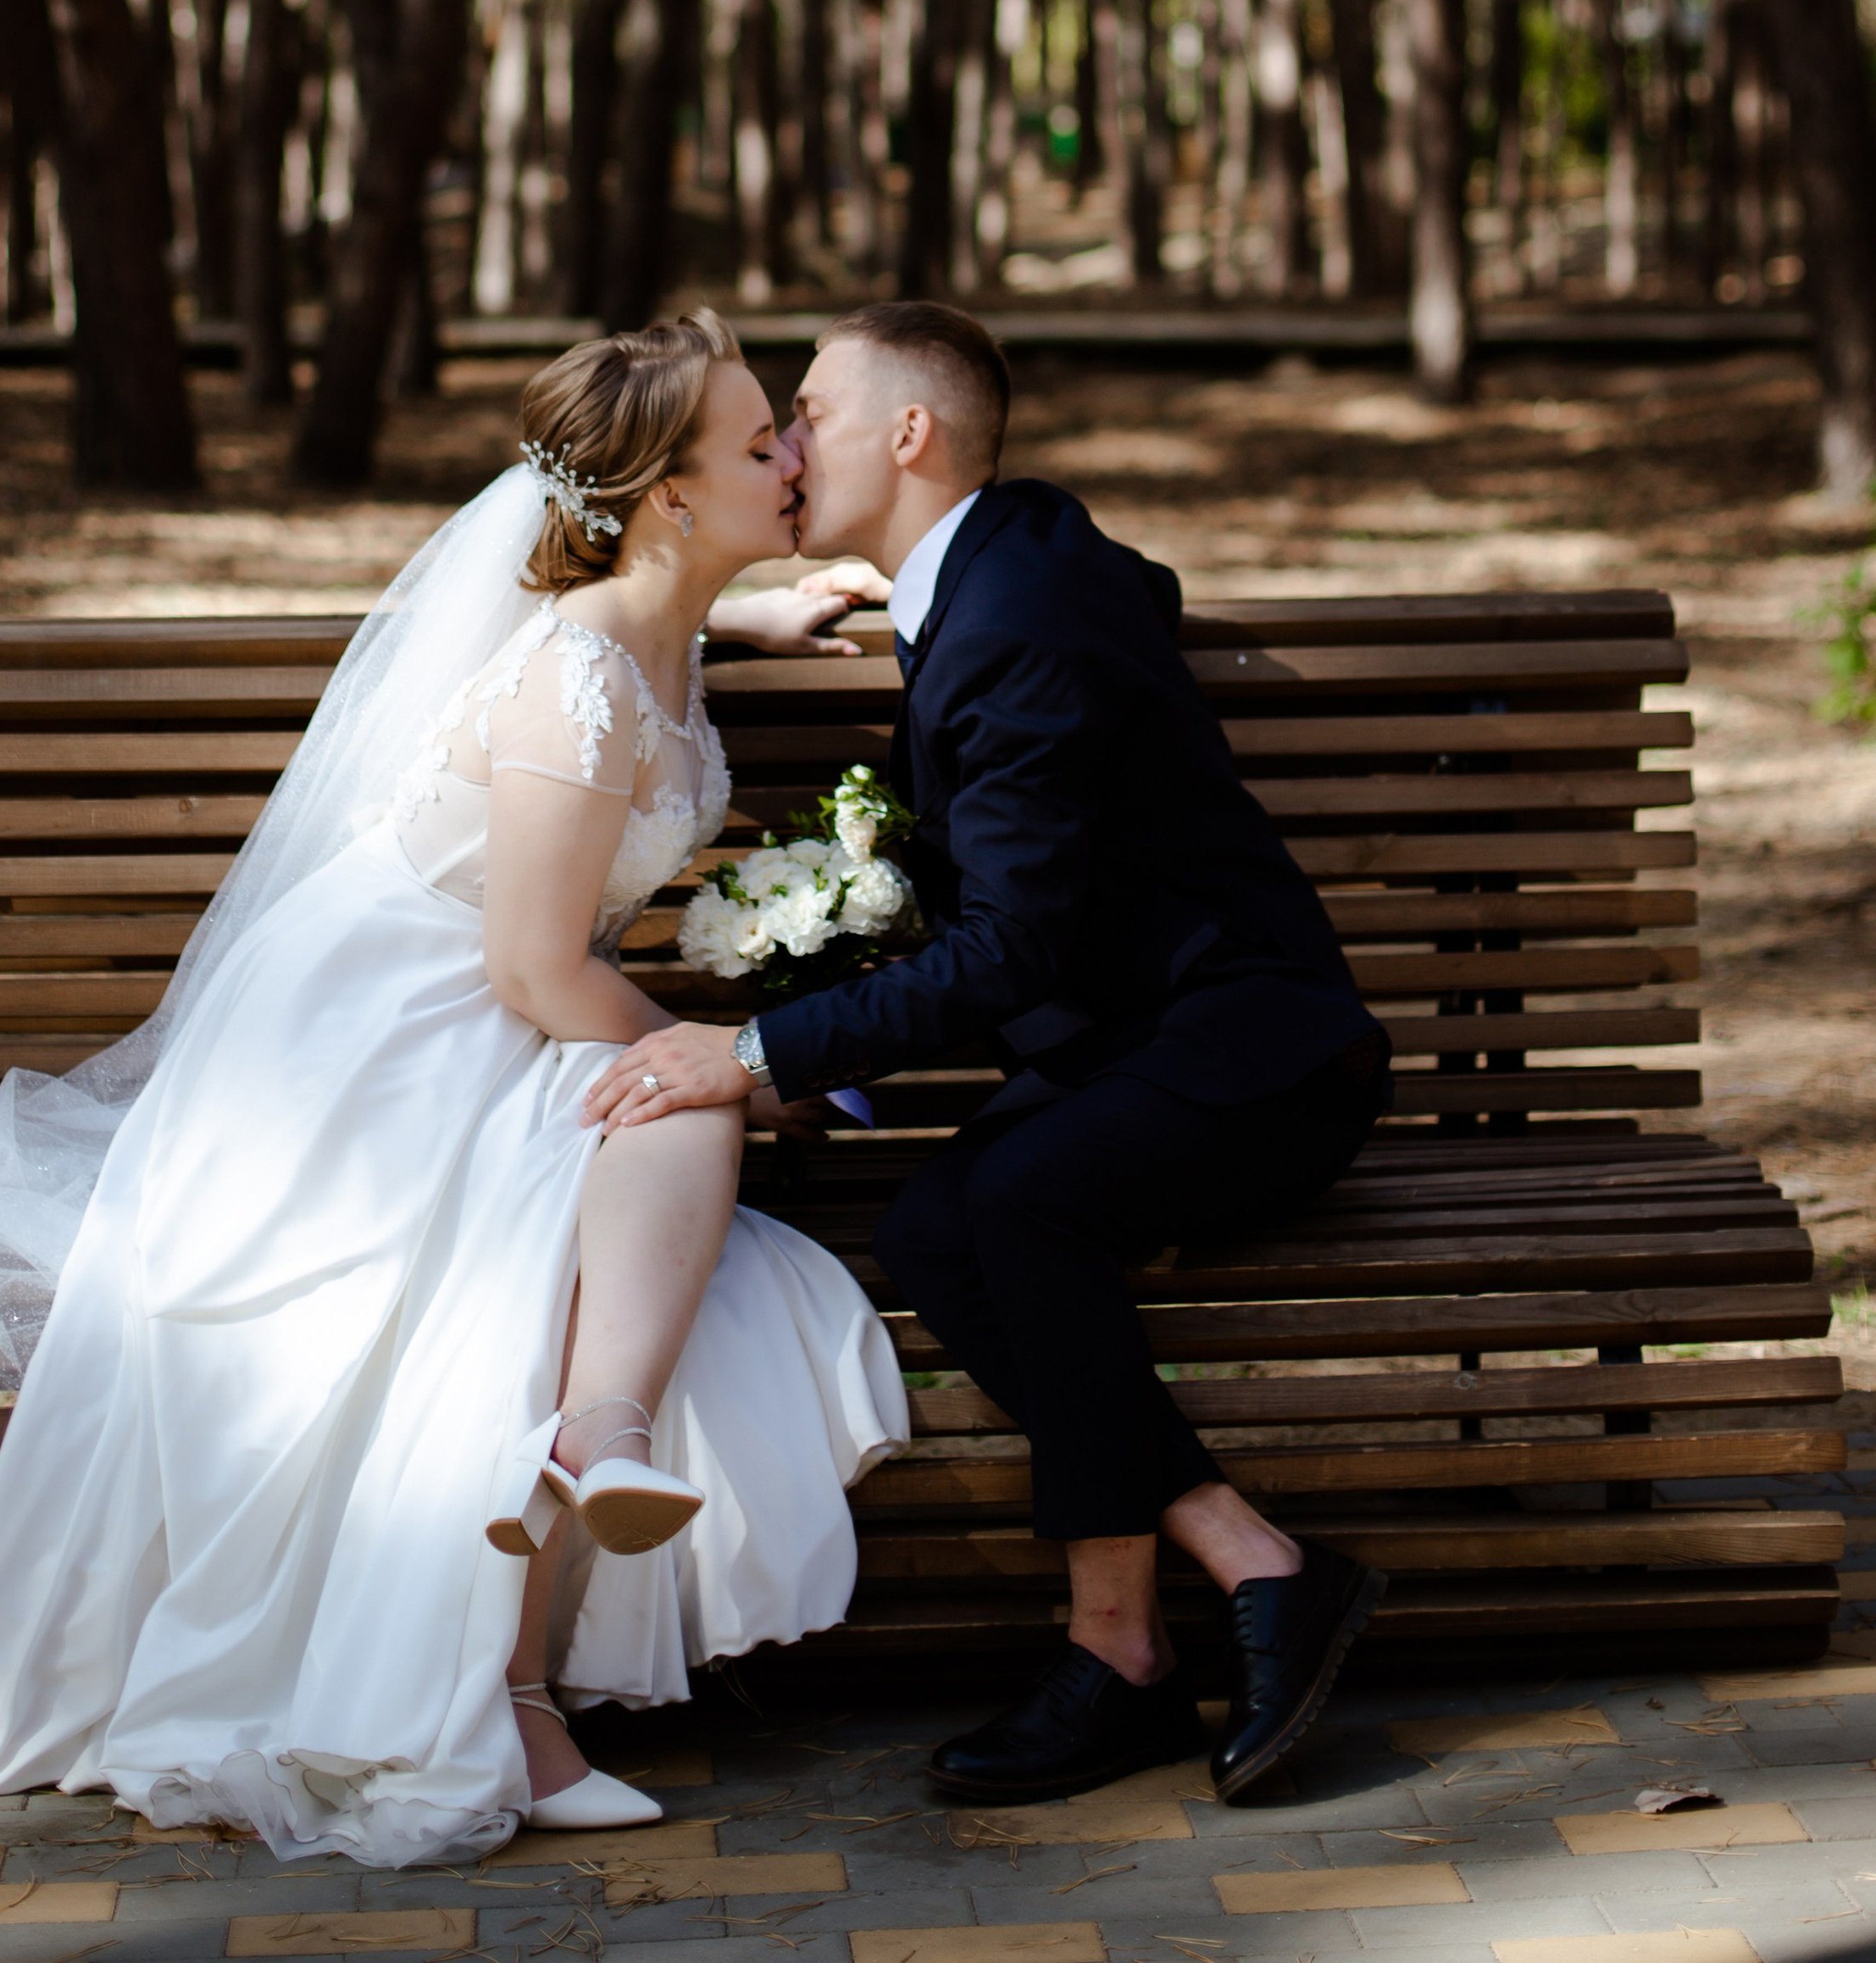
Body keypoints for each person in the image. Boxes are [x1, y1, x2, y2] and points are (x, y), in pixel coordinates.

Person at [0, 312, 907, 1866]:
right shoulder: (579, 672)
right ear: (665, 498)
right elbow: (532, 964)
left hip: (496, 1009)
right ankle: (528, 1631)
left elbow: (649, 684)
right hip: (383, 1032)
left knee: (653, 1136)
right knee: (647, 1141)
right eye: (756, 440)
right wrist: (731, 1060)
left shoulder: (654, 623)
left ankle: (578, 1497)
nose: (790, 453)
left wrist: (760, 618)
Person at [583, 299, 1392, 1807]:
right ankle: (1239, 1557)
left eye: (809, 407)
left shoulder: (1015, 608)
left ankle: (1122, 1652)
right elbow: (1126, 597)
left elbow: (1009, 947)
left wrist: (751, 1049)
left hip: (1258, 1056)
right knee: (941, 1224)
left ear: (912, 434)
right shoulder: (1013, 564)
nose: (786, 436)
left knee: (1021, 1207)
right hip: (1147, 1040)